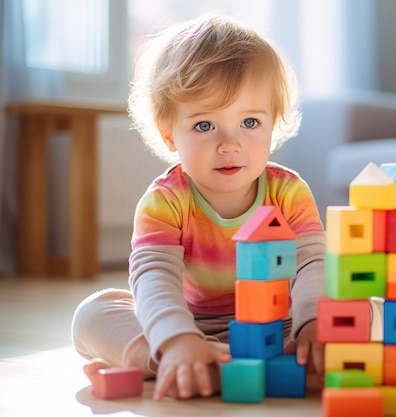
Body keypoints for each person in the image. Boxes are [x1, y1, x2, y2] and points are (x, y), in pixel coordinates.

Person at [71, 14, 326, 402]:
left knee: (367, 308)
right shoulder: (167, 201)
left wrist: (314, 323)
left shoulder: (288, 191)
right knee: (91, 314)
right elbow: (154, 277)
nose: (229, 144)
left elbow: (312, 264)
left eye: (250, 122)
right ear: (169, 134)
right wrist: (176, 337)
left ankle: (202, 370)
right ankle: (180, 359)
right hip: (197, 327)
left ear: (274, 123)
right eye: (205, 125)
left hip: (282, 326)